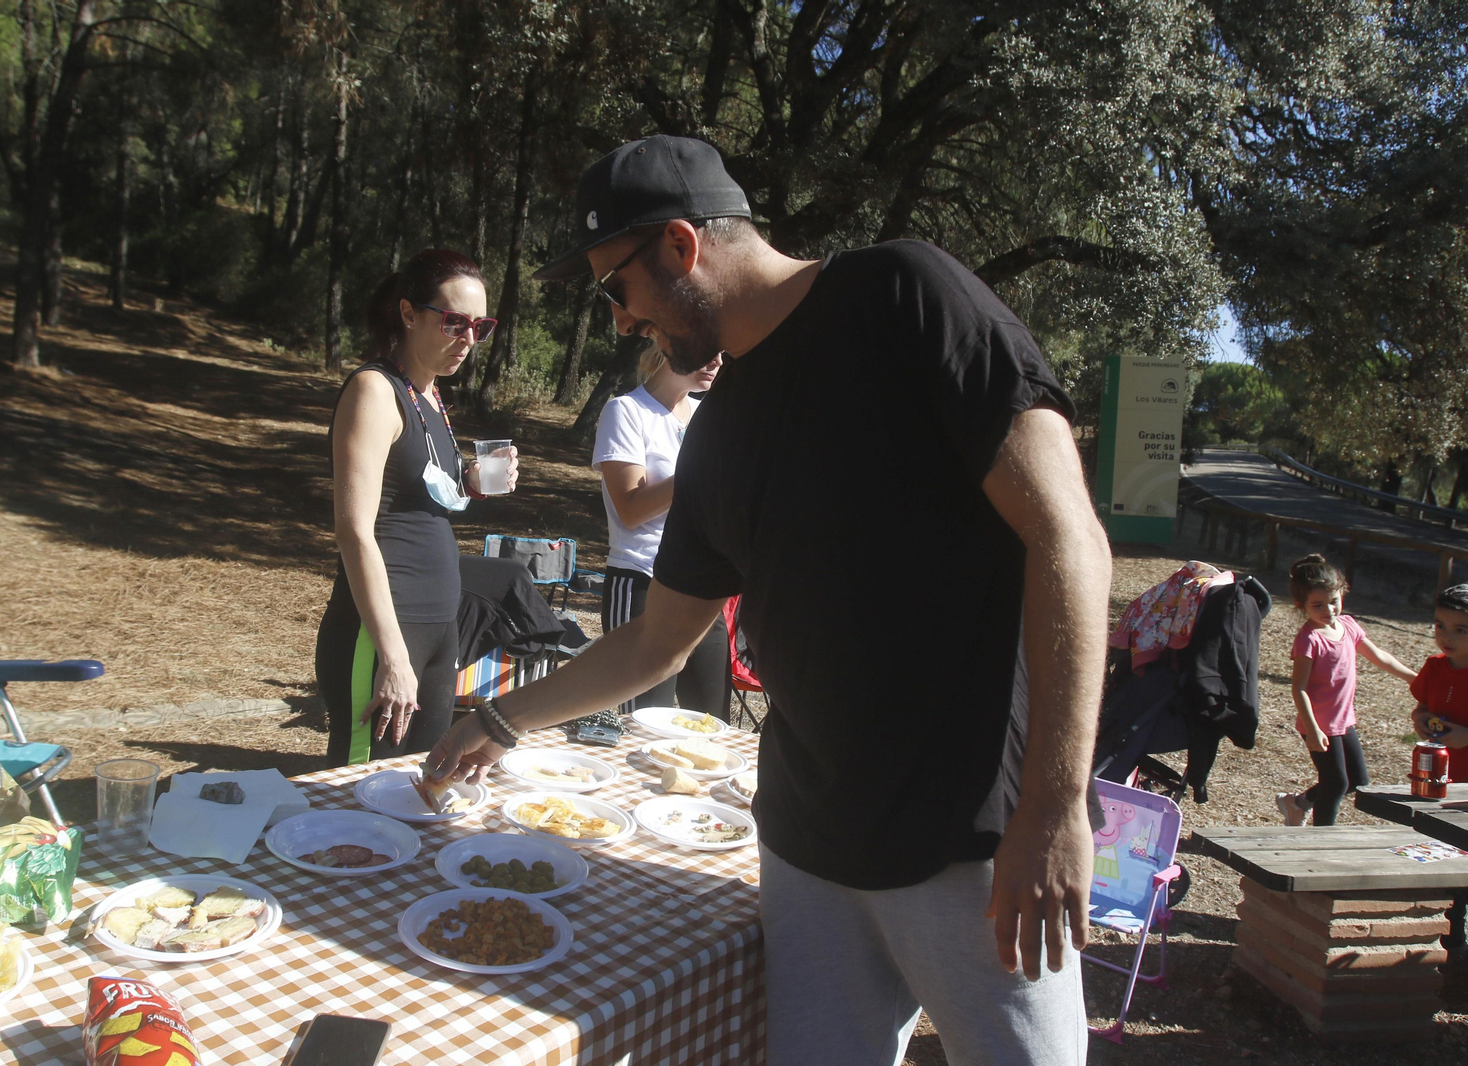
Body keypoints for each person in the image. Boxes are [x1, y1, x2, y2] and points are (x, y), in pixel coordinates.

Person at [427, 135, 1110, 1066]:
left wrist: (1057, 807)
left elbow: (1066, 538)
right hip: (807, 851)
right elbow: (655, 643)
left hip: (972, 842)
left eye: (615, 288)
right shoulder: (719, 432)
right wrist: (500, 718)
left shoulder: (905, 296)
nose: (620, 322)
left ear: (680, 246)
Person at [315, 249, 515, 768]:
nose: (468, 340)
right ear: (408, 313)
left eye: (480, 327)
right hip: (382, 631)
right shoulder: (374, 390)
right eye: (454, 322)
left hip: (438, 625)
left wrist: (471, 483)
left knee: (423, 782)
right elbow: (354, 531)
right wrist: (393, 654)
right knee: (361, 791)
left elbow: (418, 493)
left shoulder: (429, 395)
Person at [593, 346, 729, 718]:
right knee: (643, 723)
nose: (717, 361)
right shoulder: (626, 411)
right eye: (706, 349)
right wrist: (697, 472)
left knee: (711, 725)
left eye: (722, 352)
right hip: (643, 582)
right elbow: (631, 510)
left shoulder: (706, 415)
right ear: (668, 344)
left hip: (701, 588)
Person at [1273, 554, 1415, 827]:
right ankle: (1321, 838)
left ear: (1342, 593)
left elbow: (1379, 656)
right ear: (1300, 605)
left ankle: (1297, 804)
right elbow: (1299, 688)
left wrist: (1412, 678)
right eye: (1317, 605)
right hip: (1319, 723)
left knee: (1358, 781)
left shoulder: (1348, 626)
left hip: (1343, 720)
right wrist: (1312, 729)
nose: (1328, 610)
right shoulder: (1309, 640)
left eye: (1333, 601)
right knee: (1336, 783)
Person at [1409, 582, 1468, 960]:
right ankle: (1438, 938)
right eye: (1440, 626)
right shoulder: (1434, 667)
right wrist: (1421, 719)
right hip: (1436, 784)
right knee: (1437, 854)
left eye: (1461, 630)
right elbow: (1420, 709)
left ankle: (1458, 943)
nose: (1447, 637)